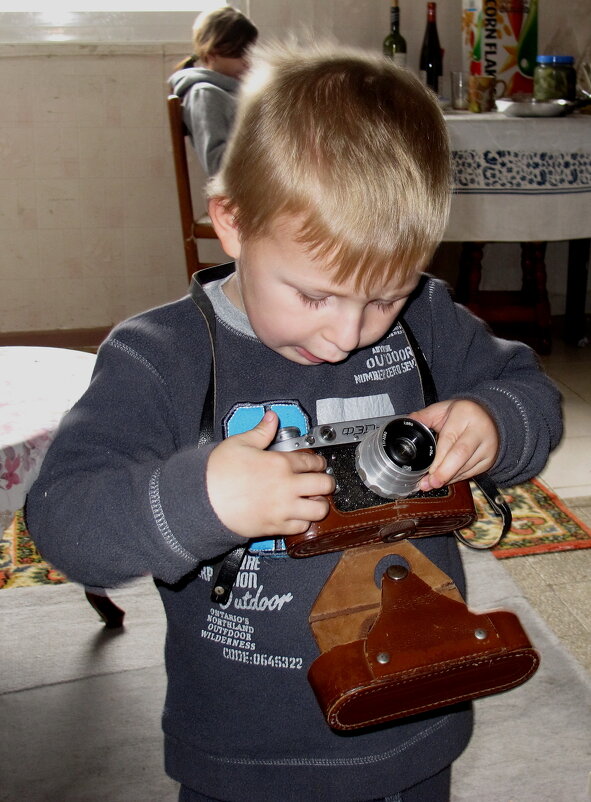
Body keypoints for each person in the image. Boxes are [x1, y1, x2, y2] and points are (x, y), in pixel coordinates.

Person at [26, 42, 562, 802]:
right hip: (248, 760)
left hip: (415, 729)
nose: (348, 334)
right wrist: (200, 501)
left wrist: (494, 420)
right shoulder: (162, 358)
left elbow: (530, 391)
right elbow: (61, 523)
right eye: (315, 296)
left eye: (382, 297)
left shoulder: (423, 320)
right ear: (233, 224)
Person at [168, 5, 258, 176]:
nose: (247, 61)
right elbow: (217, 165)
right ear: (211, 54)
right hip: (234, 196)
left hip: (252, 189)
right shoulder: (204, 94)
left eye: (250, 53)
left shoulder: (238, 92)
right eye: (239, 53)